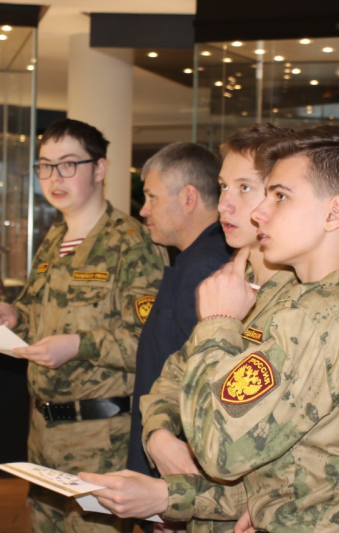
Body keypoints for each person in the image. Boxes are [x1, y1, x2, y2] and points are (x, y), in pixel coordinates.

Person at [82, 125, 339, 533]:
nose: (258, 212)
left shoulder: (308, 320)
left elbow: (220, 450)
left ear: (334, 213)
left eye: (280, 196)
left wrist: (218, 324)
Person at [0, 118, 167, 533]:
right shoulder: (54, 239)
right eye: (45, 165)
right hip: (43, 435)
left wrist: (78, 345)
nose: (54, 177)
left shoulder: (132, 243)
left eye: (68, 164)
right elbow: (39, 313)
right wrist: (13, 317)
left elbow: (149, 344)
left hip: (100, 441)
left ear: (100, 168)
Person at [138, 124, 295, 533]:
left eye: (244, 188)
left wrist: (178, 498)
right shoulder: (229, 283)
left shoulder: (300, 305)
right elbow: (172, 378)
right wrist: (158, 436)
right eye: (224, 187)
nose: (224, 204)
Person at [127, 142, 231, 482]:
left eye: (152, 197)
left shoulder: (207, 265)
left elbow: (201, 382)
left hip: (178, 465)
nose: (144, 210)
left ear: (188, 198)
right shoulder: (195, 259)